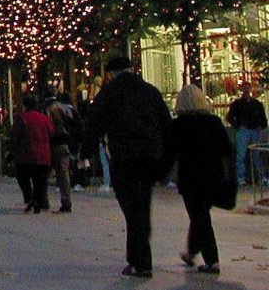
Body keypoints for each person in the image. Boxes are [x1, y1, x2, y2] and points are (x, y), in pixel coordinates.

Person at [83, 56, 172, 278]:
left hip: (124, 156)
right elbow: (166, 125)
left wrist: (86, 154)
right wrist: (165, 161)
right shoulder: (150, 91)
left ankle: (140, 260)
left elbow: (94, 124)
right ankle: (140, 254)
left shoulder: (110, 94)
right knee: (141, 203)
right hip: (149, 155)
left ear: (112, 74)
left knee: (132, 207)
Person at [163, 85, 232, 275]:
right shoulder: (213, 122)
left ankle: (212, 260)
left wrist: (160, 174)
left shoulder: (179, 124)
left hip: (191, 177)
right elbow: (226, 148)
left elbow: (170, 152)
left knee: (199, 216)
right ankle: (191, 251)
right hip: (213, 175)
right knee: (200, 215)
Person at [9, 93, 54, 214]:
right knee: (40, 180)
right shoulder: (44, 118)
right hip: (43, 155)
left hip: (26, 155)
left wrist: (12, 152)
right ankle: (39, 200)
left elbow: (15, 136)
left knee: (23, 178)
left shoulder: (22, 118)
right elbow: (51, 133)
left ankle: (29, 198)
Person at [225, 81, 267, 185]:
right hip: (244, 131)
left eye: (248, 88)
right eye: (245, 89)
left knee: (256, 155)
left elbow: (263, 118)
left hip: (253, 131)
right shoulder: (238, 104)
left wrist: (260, 126)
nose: (247, 91)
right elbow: (229, 117)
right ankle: (242, 177)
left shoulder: (256, 104)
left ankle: (260, 177)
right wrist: (238, 125)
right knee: (242, 155)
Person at [47, 97, 77, 213]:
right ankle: (66, 200)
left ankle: (42, 200)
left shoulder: (48, 109)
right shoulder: (66, 109)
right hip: (65, 144)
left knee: (45, 173)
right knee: (64, 173)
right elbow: (76, 124)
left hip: (52, 144)